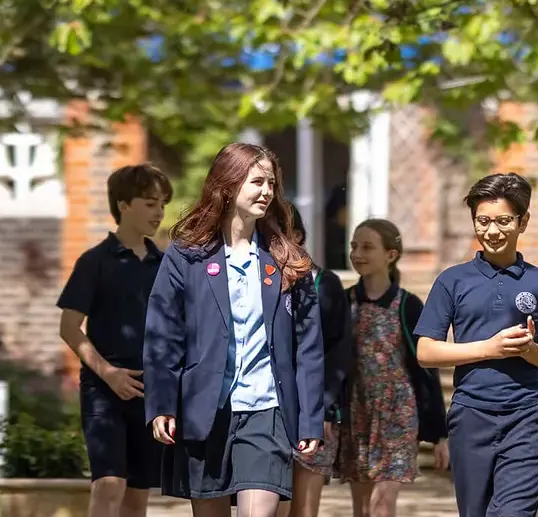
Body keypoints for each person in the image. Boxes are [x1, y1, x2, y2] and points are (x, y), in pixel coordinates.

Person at [145, 142, 327, 517]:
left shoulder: (288, 260)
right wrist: (161, 402)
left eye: (271, 183)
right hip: (206, 412)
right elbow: (163, 333)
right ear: (227, 186)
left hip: (268, 411)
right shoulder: (187, 255)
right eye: (257, 181)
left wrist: (310, 418)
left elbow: (308, 347)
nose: (267, 191)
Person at [413, 173, 538, 517]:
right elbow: (426, 352)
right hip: (471, 415)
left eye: (503, 221)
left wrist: (530, 350)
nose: (492, 231)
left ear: (522, 222)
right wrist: (490, 348)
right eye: (482, 221)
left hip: (526, 417)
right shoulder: (452, 281)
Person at [58, 164, 173, 517]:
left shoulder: (165, 266)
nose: (159, 213)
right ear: (124, 205)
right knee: (109, 484)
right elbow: (69, 327)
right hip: (103, 392)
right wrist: (108, 373)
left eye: (162, 205)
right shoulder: (94, 262)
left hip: (150, 393)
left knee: (137, 497)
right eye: (151, 203)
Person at [336, 218, 446, 517]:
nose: (357, 253)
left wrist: (439, 433)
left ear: (391, 255)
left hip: (398, 414)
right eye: (354, 246)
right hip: (357, 414)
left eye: (367, 247)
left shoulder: (408, 305)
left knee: (382, 505)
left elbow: (426, 368)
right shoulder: (344, 302)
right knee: (361, 507)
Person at [277, 207, 350, 517]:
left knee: (304, 509)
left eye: (282, 234)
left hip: (314, 408)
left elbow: (339, 352)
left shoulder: (325, 283)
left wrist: (325, 406)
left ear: (298, 236)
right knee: (271, 505)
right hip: (269, 409)